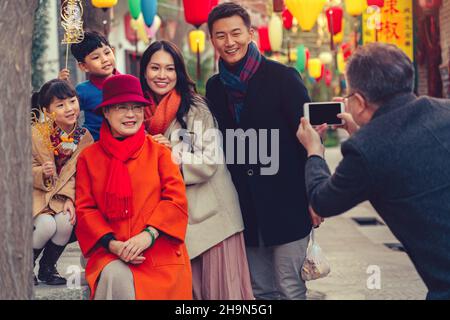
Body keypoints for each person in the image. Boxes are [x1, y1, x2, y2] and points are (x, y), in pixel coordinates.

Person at [297, 42, 450, 300]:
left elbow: (323, 201)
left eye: (347, 96)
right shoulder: (444, 109)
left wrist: (314, 151)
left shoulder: (366, 150)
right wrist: (362, 133)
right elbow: (398, 154)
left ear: (358, 100)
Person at [206, 2, 318, 300]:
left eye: (236, 33)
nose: (229, 42)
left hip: (288, 202)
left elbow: (308, 141)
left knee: (290, 287)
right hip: (244, 208)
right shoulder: (215, 88)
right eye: (220, 36)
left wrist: (314, 197)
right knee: (259, 291)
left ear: (250, 33)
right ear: (212, 40)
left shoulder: (283, 77)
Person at [139, 40, 254, 300]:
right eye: (155, 68)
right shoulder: (138, 112)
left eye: (169, 69)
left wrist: (171, 155)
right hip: (175, 222)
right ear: (144, 71)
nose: (162, 75)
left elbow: (209, 161)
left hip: (212, 221)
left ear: (178, 73)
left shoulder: (194, 109)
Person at [75, 74, 192, 300]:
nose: (131, 115)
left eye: (136, 107)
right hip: (111, 252)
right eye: (121, 107)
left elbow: (175, 201)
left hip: (158, 251)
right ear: (106, 113)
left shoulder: (159, 152)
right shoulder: (89, 158)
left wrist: (147, 235)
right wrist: (113, 244)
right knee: (115, 275)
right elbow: (85, 210)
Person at [31, 79, 93, 286]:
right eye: (60, 105)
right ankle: (26, 264)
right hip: (36, 196)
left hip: (59, 197)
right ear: (47, 111)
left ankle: (48, 267)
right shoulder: (36, 134)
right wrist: (41, 172)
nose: (69, 108)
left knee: (66, 221)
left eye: (72, 101)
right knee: (47, 225)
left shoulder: (84, 137)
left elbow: (80, 173)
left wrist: (68, 197)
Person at [59, 31, 119, 141]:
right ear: (83, 66)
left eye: (107, 53)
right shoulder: (82, 90)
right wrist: (61, 88)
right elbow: (66, 113)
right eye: (96, 57)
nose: (105, 60)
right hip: (93, 143)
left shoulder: (127, 82)